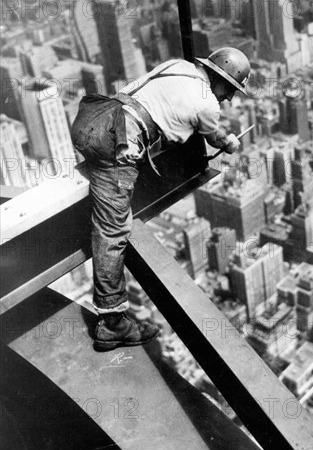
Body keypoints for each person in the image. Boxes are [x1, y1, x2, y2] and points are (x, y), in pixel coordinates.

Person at [71, 47, 251, 351]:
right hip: (118, 142)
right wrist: (230, 141)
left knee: (111, 209)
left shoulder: (177, 66)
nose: (229, 98)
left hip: (93, 119)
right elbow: (215, 137)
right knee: (114, 230)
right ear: (220, 78)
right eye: (230, 89)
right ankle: (112, 324)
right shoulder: (208, 104)